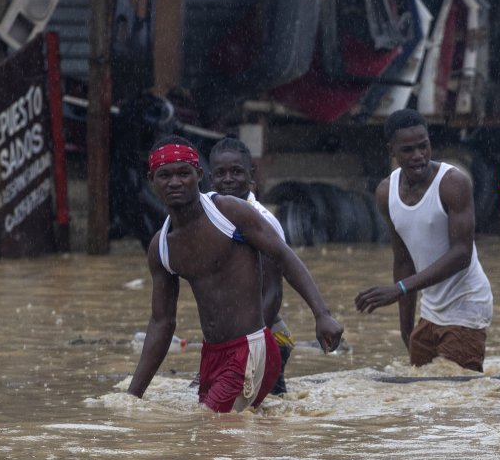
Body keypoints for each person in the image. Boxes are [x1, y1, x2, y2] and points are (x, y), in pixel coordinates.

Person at [128, 136, 344, 412]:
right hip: (212, 354)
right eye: (165, 175)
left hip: (252, 346)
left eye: (184, 173)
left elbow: (284, 257)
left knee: (210, 429)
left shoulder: (230, 213)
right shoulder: (161, 246)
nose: (175, 182)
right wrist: (132, 396)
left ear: (199, 175)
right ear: (152, 180)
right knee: (225, 438)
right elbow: (162, 322)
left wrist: (322, 314)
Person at [354, 110, 494, 372]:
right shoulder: (386, 192)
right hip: (429, 312)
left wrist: (400, 289)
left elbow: (461, 255)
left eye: (423, 146)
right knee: (423, 398)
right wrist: (406, 328)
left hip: (467, 305)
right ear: (392, 151)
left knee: (456, 399)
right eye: (408, 150)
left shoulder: (453, 183)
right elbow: (403, 260)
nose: (418, 155)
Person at [207, 137, 294, 395]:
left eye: (237, 172)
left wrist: (247, 348)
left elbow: (273, 293)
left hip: (267, 336)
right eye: (221, 173)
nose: (228, 179)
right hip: (231, 339)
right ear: (210, 178)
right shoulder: (209, 218)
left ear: (251, 175)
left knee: (260, 415)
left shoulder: (264, 223)